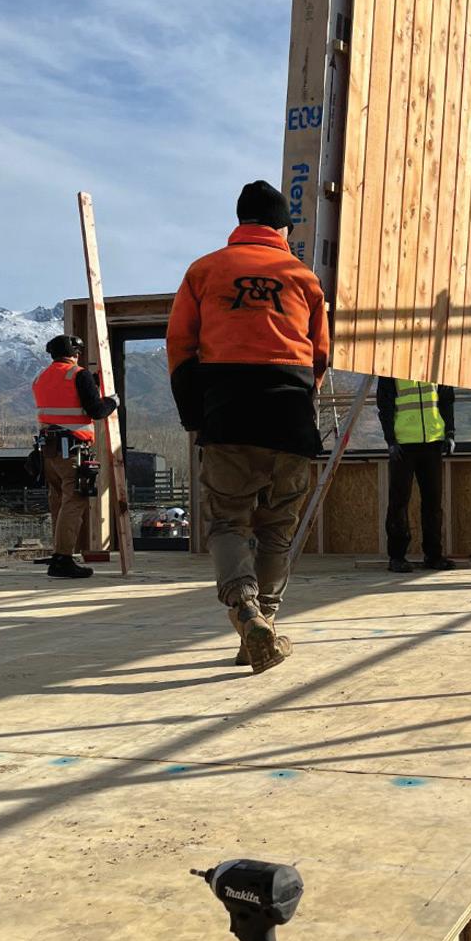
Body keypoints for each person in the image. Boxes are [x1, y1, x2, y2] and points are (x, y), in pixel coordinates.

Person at [167, 181, 329, 673]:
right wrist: (302, 402)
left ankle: (246, 611)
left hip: (229, 414)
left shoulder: (204, 270)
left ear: (240, 223)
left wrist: (194, 416)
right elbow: (320, 356)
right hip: (290, 417)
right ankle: (266, 625)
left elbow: (180, 348)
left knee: (227, 523)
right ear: (283, 229)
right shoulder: (303, 277)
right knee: (277, 530)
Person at [32, 334, 119, 579]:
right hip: (71, 450)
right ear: (74, 353)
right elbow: (96, 410)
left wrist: (92, 385)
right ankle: (63, 559)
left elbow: (63, 398)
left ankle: (59, 552)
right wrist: (112, 402)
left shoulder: (41, 377)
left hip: (48, 451)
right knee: (75, 501)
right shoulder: (78, 375)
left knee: (58, 501)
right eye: (78, 353)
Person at [377, 378, 456, 572]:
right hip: (403, 444)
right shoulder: (391, 370)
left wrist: (450, 433)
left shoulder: (437, 367)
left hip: (433, 442)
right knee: (399, 502)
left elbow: (446, 400)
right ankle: (397, 557)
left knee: (433, 503)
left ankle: (433, 555)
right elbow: (384, 405)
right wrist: (391, 440)